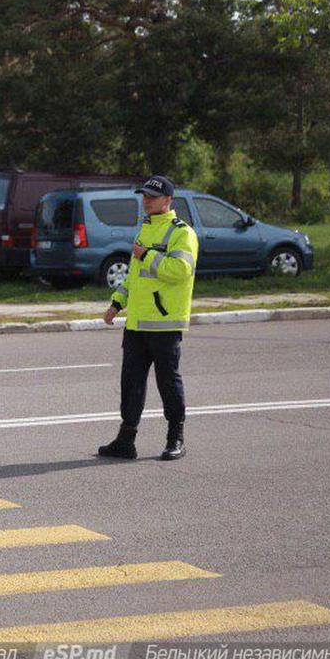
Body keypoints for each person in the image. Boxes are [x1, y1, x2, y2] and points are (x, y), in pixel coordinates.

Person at [98, 175, 199, 461]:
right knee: (131, 382)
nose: (146, 201)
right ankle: (126, 439)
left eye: (152, 197)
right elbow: (133, 276)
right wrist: (117, 304)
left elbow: (180, 270)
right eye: (144, 196)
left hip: (165, 323)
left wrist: (147, 256)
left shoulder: (182, 233)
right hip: (137, 323)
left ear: (168, 200)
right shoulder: (144, 229)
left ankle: (175, 437)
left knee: (168, 381)